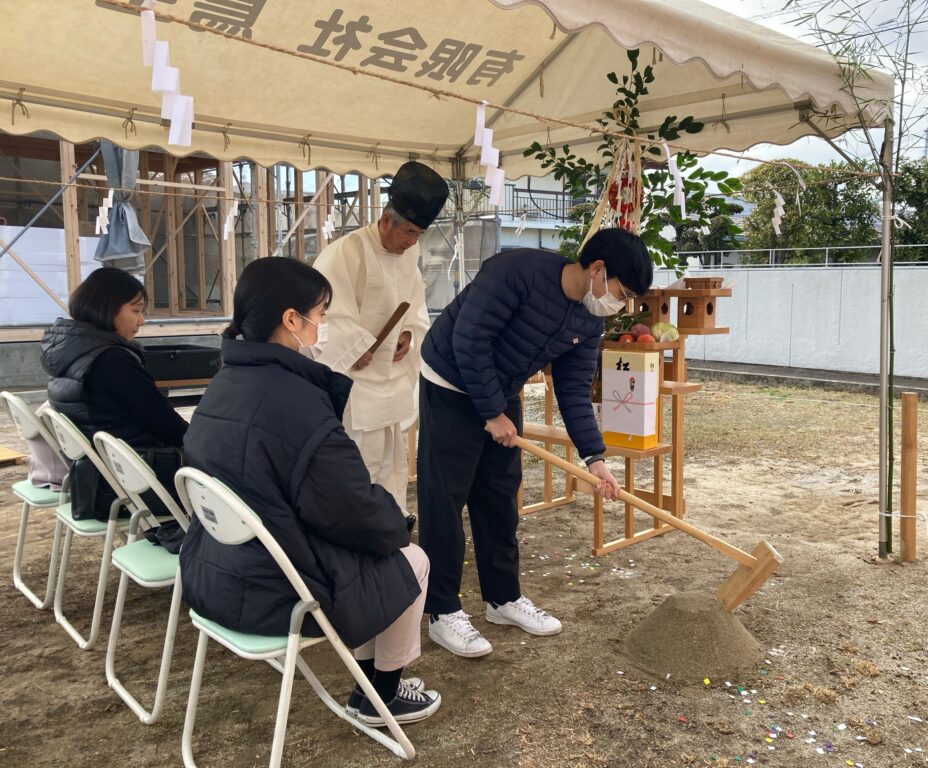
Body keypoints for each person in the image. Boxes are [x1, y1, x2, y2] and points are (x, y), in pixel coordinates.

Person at [179, 257, 440, 725]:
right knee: (410, 559)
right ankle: (382, 695)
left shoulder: (224, 382)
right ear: (291, 320)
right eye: (320, 315)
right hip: (276, 589)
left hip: (213, 571)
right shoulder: (297, 402)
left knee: (370, 549)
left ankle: (367, 687)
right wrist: (397, 527)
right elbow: (351, 507)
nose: (323, 326)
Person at [418, 227, 654, 657]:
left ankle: (502, 599)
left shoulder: (589, 318)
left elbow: (573, 389)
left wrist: (594, 457)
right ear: (598, 269)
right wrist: (492, 413)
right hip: (450, 380)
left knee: (499, 496)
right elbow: (469, 339)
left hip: (501, 388)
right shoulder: (516, 272)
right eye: (622, 292)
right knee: (445, 499)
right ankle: (442, 610)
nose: (621, 304)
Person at [312, 161, 446, 513]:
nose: (412, 242)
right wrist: (353, 346)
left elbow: (414, 304)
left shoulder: (409, 252)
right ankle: (359, 531)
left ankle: (392, 525)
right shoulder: (347, 251)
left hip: (391, 379)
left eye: (419, 235)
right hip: (355, 384)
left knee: (392, 467)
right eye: (409, 232)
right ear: (387, 220)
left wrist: (408, 334)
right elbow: (325, 315)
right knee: (358, 468)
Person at [40, 267, 187, 520]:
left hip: (101, 479)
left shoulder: (70, 352)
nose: (141, 321)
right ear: (106, 309)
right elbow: (168, 426)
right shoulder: (110, 361)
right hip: (137, 483)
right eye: (136, 311)